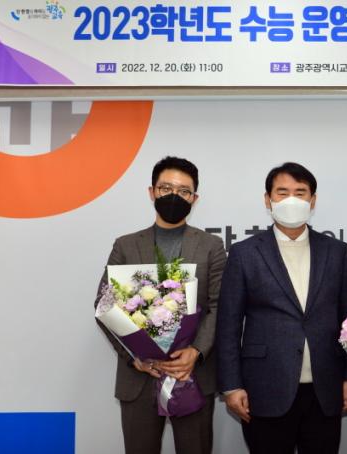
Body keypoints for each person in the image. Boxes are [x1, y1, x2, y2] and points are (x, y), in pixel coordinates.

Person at [216, 162, 347, 454]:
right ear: (268, 199)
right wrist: (231, 385)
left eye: (300, 192)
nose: (291, 199)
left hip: (325, 389)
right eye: (282, 192)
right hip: (264, 388)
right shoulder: (244, 253)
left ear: (312, 201)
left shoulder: (337, 251)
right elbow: (228, 325)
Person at [95, 156, 227, 454]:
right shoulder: (125, 245)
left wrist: (196, 351)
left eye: (183, 191)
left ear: (194, 198)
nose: (173, 196)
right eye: (166, 188)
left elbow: (220, 305)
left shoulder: (211, 246)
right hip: (139, 378)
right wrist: (134, 357)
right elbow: (104, 304)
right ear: (152, 191)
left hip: (191, 375)